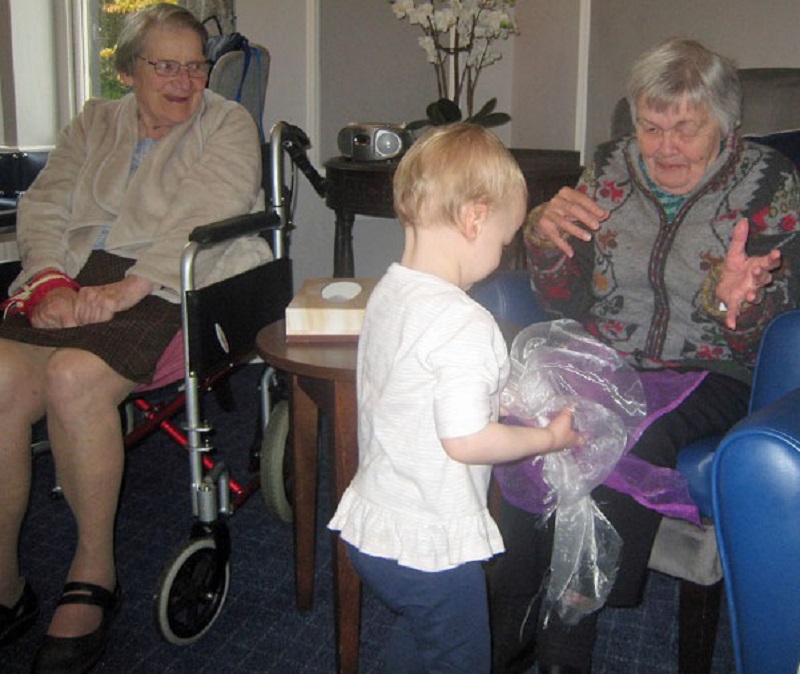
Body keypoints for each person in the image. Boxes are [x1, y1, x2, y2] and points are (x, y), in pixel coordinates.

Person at [490, 38, 800, 674]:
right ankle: (510, 614)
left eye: (686, 129)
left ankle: (566, 639)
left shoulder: (770, 182)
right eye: (650, 126)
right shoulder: (607, 170)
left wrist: (736, 301)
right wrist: (545, 242)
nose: (664, 147)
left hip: (711, 368)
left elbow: (778, 330)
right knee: (523, 427)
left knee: (622, 442)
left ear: (726, 123)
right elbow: (560, 301)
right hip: (606, 357)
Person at [0, 4, 271, 672]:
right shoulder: (96, 120)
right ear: (129, 72)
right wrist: (48, 281)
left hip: (176, 274)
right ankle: (4, 581)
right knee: (1, 377)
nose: (186, 80)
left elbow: (210, 208)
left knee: (71, 377)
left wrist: (132, 285)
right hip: (75, 270)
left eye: (197, 65)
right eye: (167, 65)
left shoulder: (226, 123)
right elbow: (45, 203)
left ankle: (94, 570)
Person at [327, 123, 581, 674]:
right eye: (503, 240)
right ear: (474, 220)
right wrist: (549, 437)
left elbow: (414, 386)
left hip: (373, 525)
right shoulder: (466, 323)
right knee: (460, 658)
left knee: (425, 640)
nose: (501, 255)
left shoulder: (389, 295)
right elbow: (467, 440)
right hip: (430, 545)